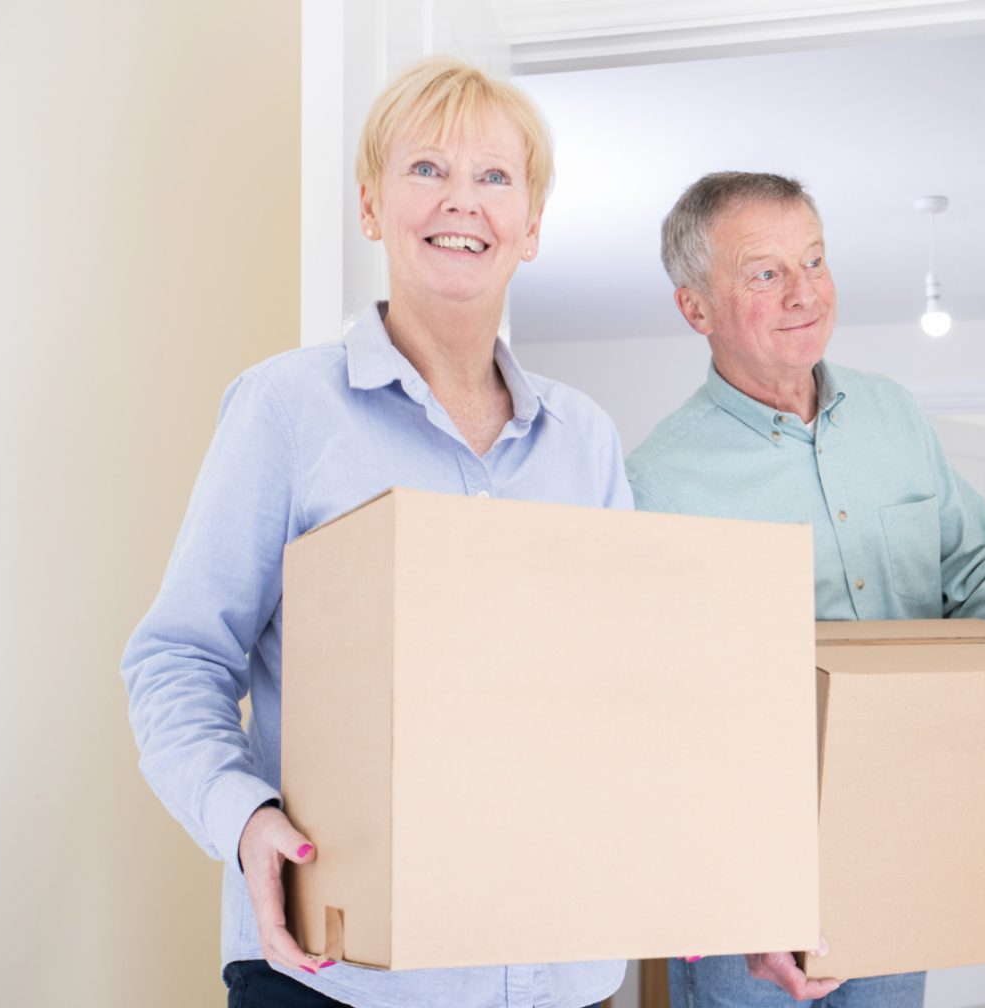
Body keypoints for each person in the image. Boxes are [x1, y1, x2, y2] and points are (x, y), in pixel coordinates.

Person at [122, 57, 629, 1008]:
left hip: (559, 968)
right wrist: (245, 818)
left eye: (494, 177)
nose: (461, 201)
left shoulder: (586, 439)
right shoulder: (286, 409)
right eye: (426, 169)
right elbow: (178, 658)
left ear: (532, 224)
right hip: (341, 974)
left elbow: (622, 691)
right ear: (369, 206)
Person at [627, 171, 985, 1008]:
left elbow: (969, 573)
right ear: (696, 309)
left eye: (816, 261)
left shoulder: (895, 417)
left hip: (902, 843)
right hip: (753, 885)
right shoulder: (656, 479)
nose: (806, 293)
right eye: (765, 273)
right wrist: (734, 902)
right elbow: (659, 711)